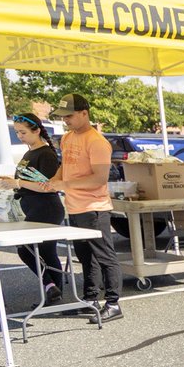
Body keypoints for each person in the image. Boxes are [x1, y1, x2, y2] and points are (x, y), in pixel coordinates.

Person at [47, 94, 124, 322]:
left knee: (104, 255)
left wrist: (64, 184)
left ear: (84, 113)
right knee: (85, 256)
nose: (65, 121)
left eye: (69, 116)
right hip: (75, 206)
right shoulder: (67, 138)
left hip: (95, 207)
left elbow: (99, 178)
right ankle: (90, 299)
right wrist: (53, 181)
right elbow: (65, 166)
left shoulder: (97, 142)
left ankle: (113, 303)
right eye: (62, 117)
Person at [0, 113, 64, 305]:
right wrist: (12, 182)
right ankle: (52, 290)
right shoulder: (30, 152)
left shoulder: (46, 153)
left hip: (46, 206)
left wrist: (17, 182)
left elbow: (47, 185)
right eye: (17, 132)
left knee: (35, 250)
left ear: (36, 130)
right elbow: (28, 181)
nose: (20, 136)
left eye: (23, 132)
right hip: (32, 206)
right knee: (37, 250)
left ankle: (53, 289)